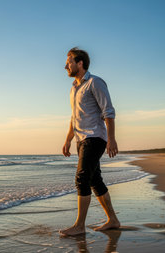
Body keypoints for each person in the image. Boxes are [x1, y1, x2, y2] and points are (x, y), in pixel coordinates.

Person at [59, 47, 121, 236]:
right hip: (81, 139)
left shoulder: (95, 82)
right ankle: (113, 219)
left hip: (94, 137)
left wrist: (111, 138)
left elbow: (108, 111)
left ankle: (79, 226)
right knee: (95, 180)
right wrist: (68, 139)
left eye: (68, 62)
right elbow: (74, 117)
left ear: (80, 63)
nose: (65, 66)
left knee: (82, 178)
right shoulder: (74, 89)